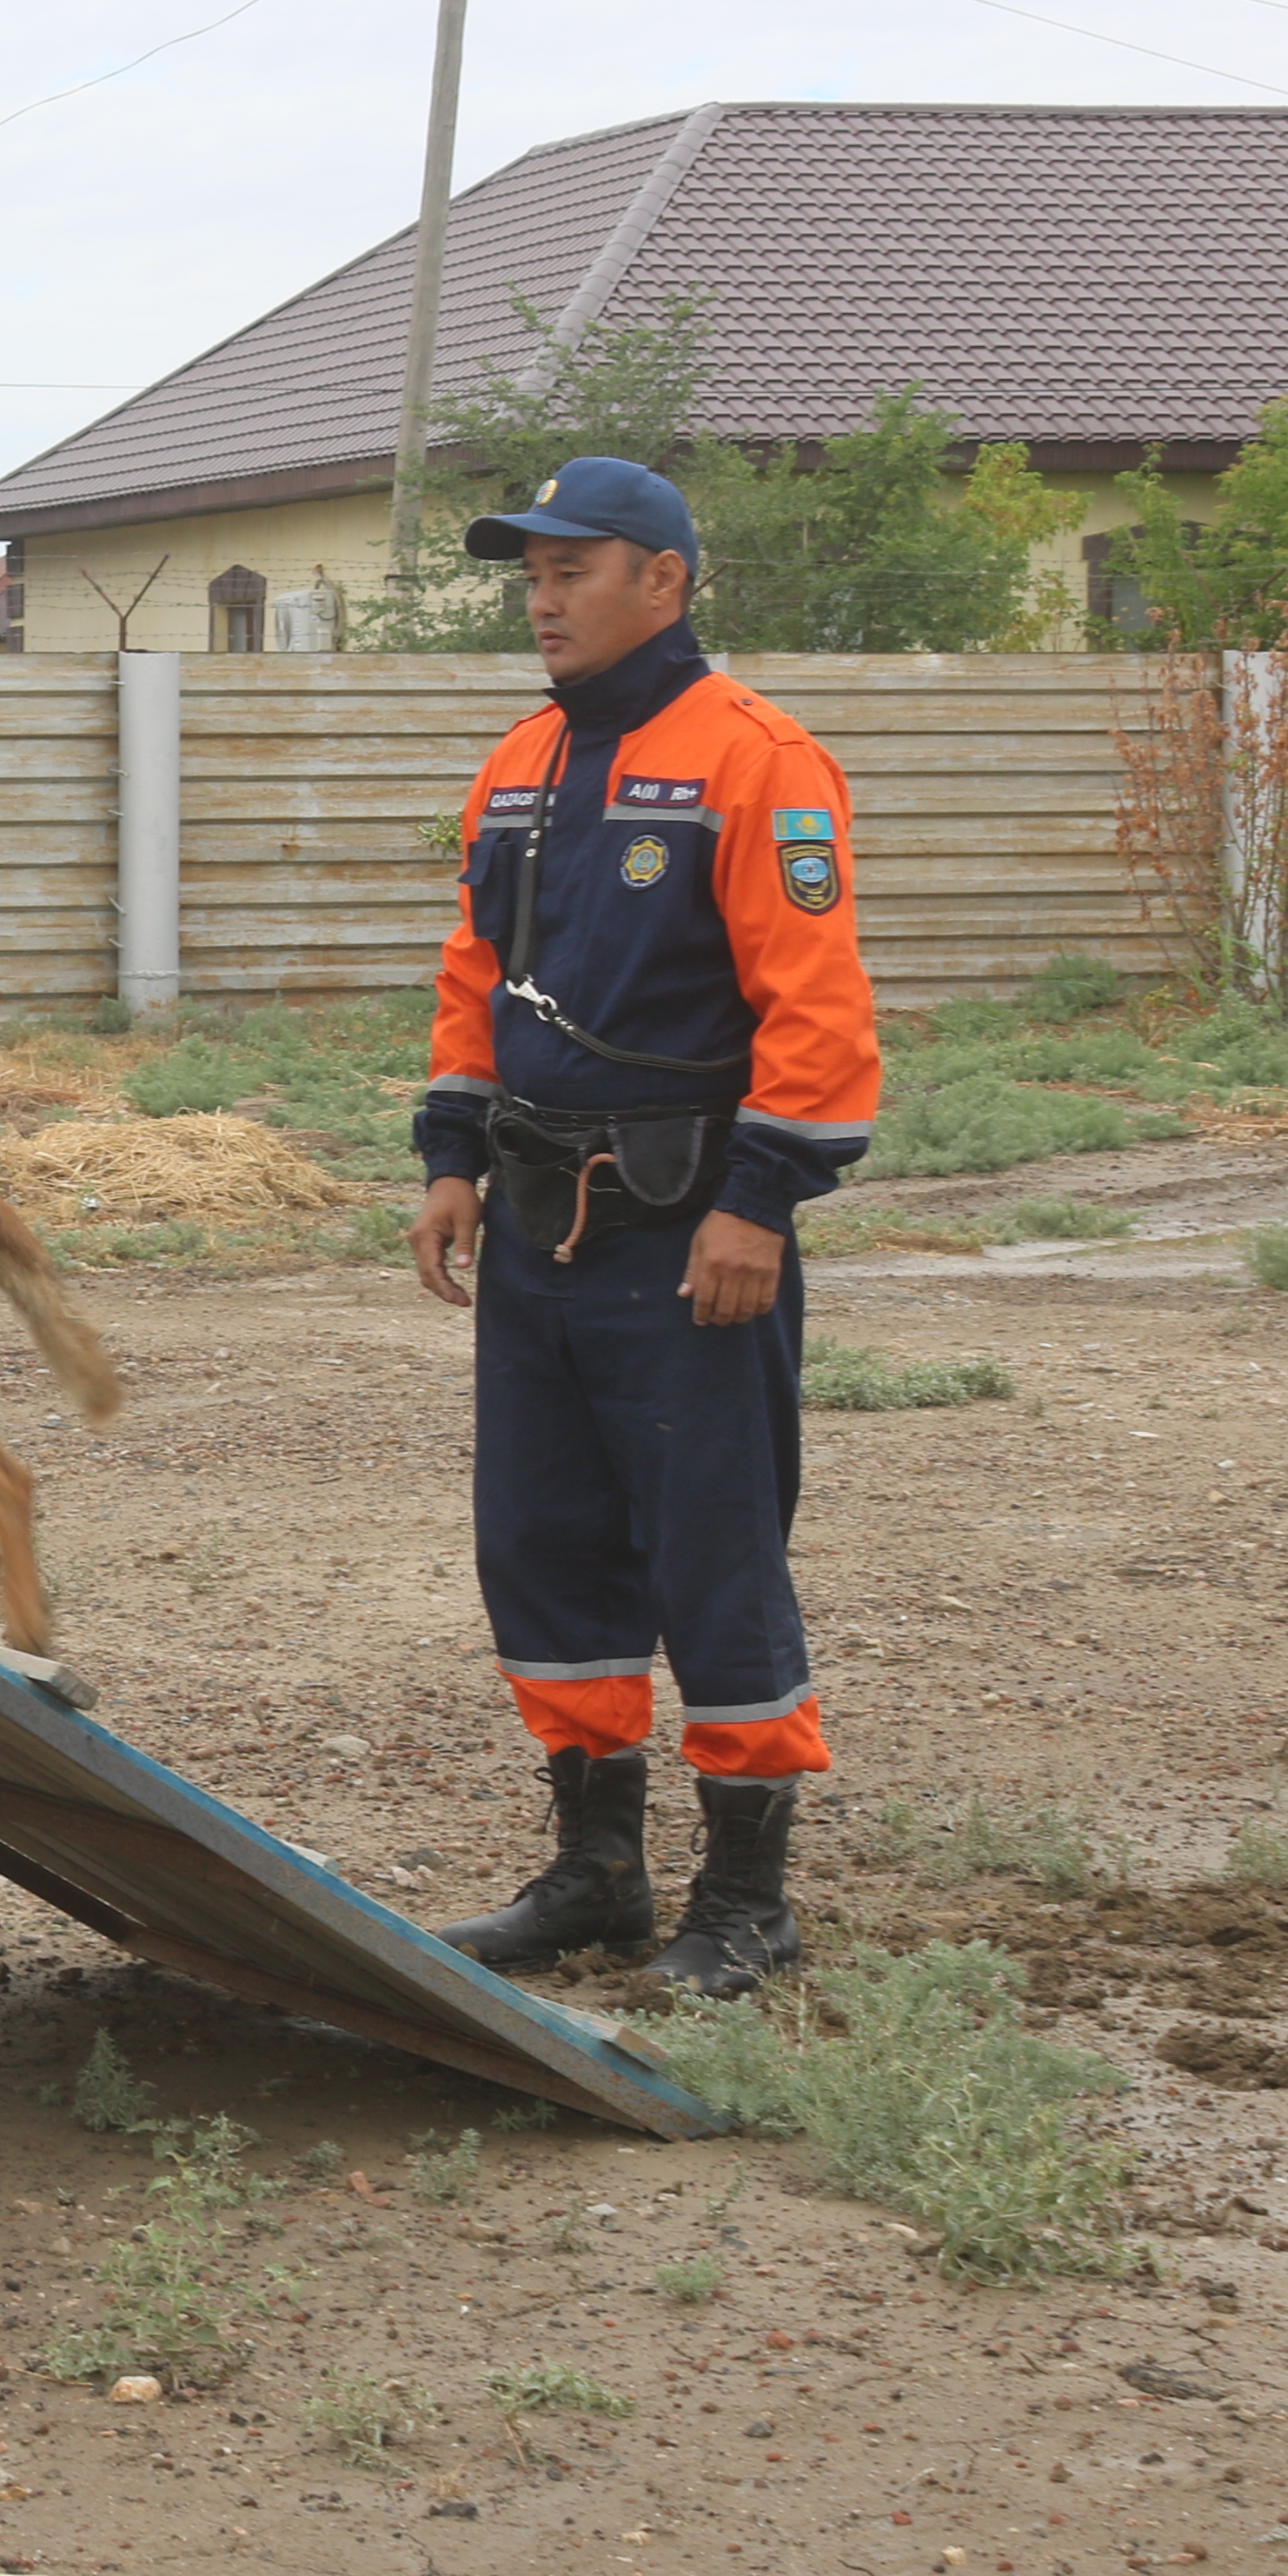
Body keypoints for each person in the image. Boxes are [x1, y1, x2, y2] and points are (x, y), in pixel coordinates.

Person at [407, 456, 878, 1999]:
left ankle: (747, 1900)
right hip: (536, 1229)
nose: (540, 599)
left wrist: (761, 1204)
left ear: (662, 581)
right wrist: (451, 1153)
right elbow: (476, 976)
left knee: (711, 1552)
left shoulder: (758, 762)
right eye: (529, 575)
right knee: (542, 1548)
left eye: (572, 570)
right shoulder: (522, 763)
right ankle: (598, 1873)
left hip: (689, 1236)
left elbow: (816, 1009)